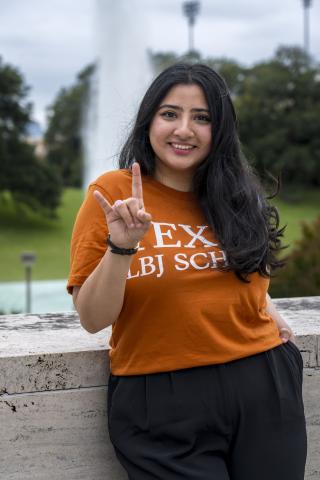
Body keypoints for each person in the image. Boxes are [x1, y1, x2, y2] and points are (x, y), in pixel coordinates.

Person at [67, 63, 307, 480]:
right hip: (161, 398)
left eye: (202, 118)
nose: (184, 129)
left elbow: (233, 270)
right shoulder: (113, 194)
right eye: (170, 114)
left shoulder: (236, 196)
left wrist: (263, 303)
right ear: (149, 121)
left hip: (263, 383)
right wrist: (122, 246)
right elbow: (93, 318)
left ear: (221, 130)